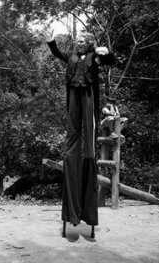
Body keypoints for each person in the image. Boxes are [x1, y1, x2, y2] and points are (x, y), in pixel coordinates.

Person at [45, 30, 115, 235]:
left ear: (88, 43)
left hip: (88, 96)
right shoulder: (72, 56)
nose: (79, 43)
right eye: (78, 41)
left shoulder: (95, 56)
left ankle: (88, 213)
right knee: (73, 132)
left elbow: (110, 60)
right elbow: (58, 54)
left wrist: (106, 51)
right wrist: (51, 41)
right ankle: (72, 213)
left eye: (82, 41)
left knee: (89, 136)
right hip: (74, 95)